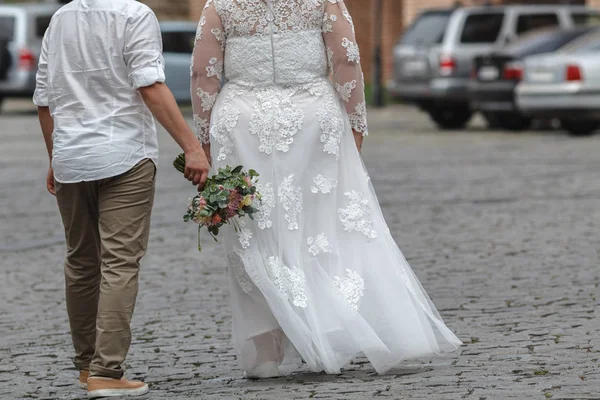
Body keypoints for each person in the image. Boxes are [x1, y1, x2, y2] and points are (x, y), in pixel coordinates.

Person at [191, 0, 462, 379]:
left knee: (258, 234)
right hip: (311, 119)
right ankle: (332, 332)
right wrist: (356, 123)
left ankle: (266, 352)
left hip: (242, 124)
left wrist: (202, 138)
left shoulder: (221, 4)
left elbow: (204, 75)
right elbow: (346, 60)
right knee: (324, 228)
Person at [34, 0, 210, 397]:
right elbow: (149, 85)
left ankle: (86, 367)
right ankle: (106, 372)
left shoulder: (60, 18)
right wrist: (191, 146)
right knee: (119, 261)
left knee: (80, 263)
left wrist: (53, 157)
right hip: (124, 154)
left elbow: (44, 99)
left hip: (70, 157)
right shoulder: (135, 14)